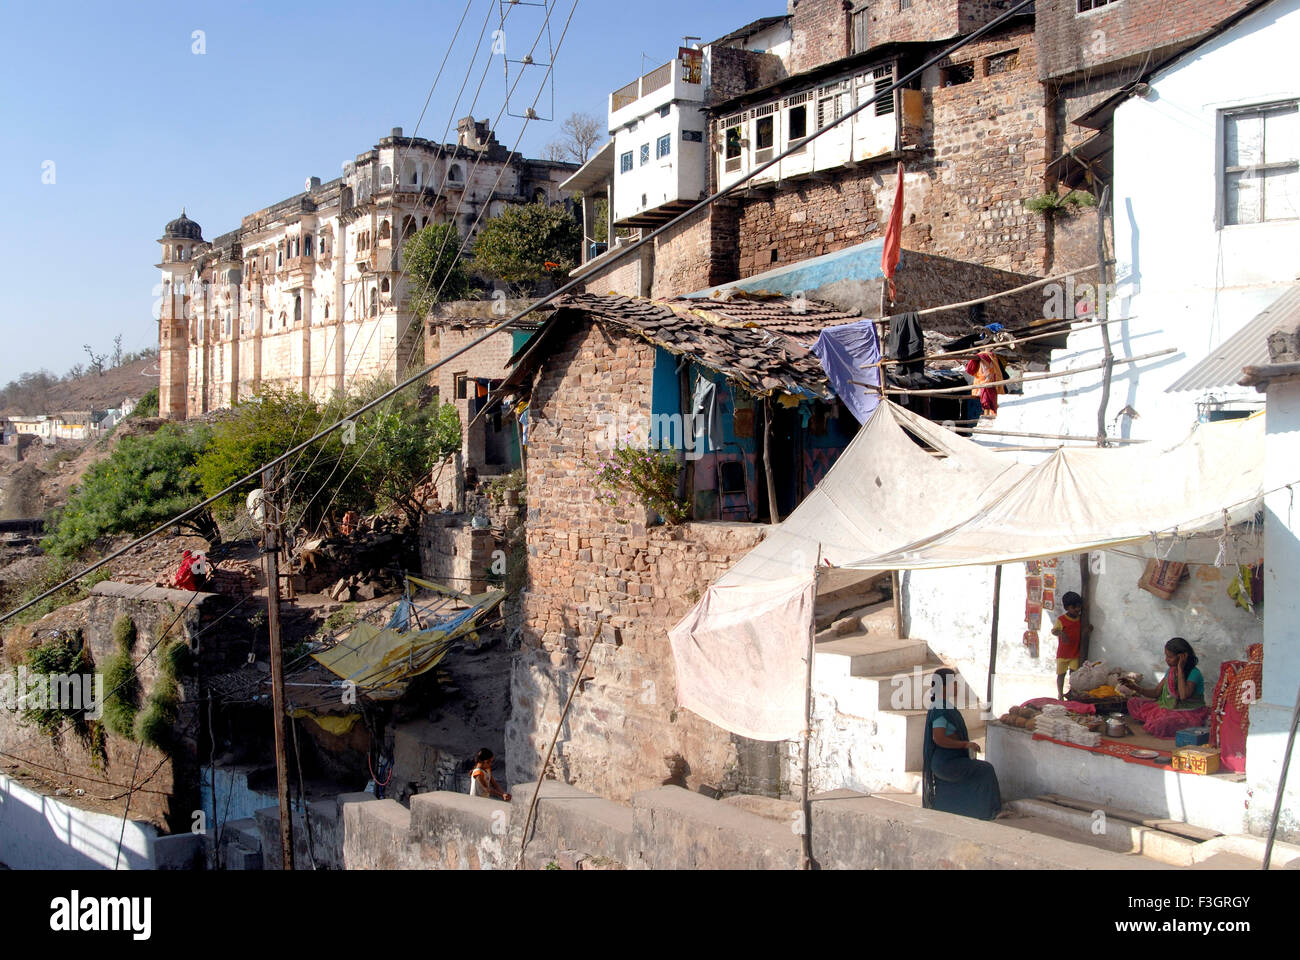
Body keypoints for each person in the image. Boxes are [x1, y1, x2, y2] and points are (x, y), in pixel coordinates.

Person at [923, 667, 1002, 820]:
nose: (956, 686)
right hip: (946, 763)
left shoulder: (942, 705)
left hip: (945, 761)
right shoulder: (941, 708)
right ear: (943, 686)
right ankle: (992, 811)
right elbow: (938, 738)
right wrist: (965, 745)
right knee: (986, 769)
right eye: (953, 683)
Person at [1121, 637, 1209, 739]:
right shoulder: (1171, 671)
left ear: (1182, 657)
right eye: (1166, 656)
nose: (1166, 660)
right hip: (1168, 707)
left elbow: (1183, 695)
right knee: (1133, 702)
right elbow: (1156, 693)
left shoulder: (1194, 673)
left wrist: (1180, 668)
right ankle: (1155, 720)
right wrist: (1135, 687)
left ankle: (1157, 721)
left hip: (1188, 712)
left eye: (1170, 657)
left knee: (1160, 723)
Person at [1049, 591, 1092, 698]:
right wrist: (1061, 633)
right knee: (1061, 674)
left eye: (1079, 607)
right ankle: (1060, 694)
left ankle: (1072, 692)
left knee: (1073, 674)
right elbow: (1054, 631)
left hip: (1074, 653)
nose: (1077, 609)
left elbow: (1086, 627)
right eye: (1074, 607)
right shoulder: (1061, 620)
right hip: (1063, 654)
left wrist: (1089, 628)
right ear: (1067, 608)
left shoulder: (1081, 619)